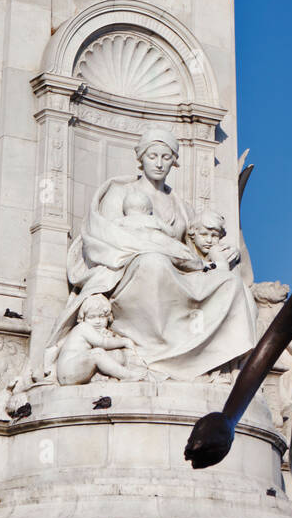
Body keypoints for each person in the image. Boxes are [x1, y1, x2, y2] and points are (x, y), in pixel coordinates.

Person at [45, 127, 257, 381]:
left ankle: (208, 360)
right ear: (141, 158)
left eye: (166, 157)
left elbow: (193, 247)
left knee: (231, 283)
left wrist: (217, 252)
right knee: (153, 263)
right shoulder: (119, 192)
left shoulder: (180, 204)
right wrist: (155, 246)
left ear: (174, 162)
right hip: (125, 269)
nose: (158, 163)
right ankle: (157, 357)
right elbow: (105, 238)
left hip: (177, 272)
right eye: (152, 156)